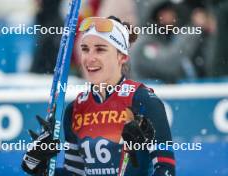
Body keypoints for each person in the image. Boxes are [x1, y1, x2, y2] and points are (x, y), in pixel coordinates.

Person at [21, 16, 175, 176]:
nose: (90, 58)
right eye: (85, 49)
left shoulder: (143, 100)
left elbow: (166, 169)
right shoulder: (75, 109)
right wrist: (39, 167)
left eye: (100, 49)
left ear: (121, 57)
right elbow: (75, 174)